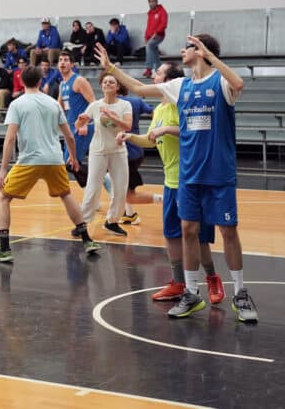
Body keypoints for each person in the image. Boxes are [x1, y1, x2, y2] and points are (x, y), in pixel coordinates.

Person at [96, 37, 257, 322]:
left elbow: (239, 84)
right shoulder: (180, 86)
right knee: (188, 231)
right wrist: (111, 68)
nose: (183, 50)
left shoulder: (219, 82)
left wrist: (211, 56)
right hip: (190, 174)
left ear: (202, 52)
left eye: (189, 46)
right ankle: (192, 293)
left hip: (218, 172)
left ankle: (241, 293)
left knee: (228, 230)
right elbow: (138, 87)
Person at [118, 61, 223, 306]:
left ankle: (212, 278)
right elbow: (151, 140)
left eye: (158, 73)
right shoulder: (159, 110)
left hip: (193, 178)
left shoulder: (182, 104)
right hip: (171, 181)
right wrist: (130, 137)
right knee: (172, 235)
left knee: (199, 238)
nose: (154, 76)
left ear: (168, 81)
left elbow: (192, 132)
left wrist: (166, 129)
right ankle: (178, 282)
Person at [0, 66, 100, 262]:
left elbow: (10, 138)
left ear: (21, 81)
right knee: (66, 195)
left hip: (29, 160)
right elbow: (69, 135)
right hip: (54, 159)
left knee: (3, 198)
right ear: (40, 81)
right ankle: (87, 240)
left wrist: (3, 169)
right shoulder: (53, 104)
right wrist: (72, 157)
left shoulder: (17, 104)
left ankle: (4, 249)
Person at [74, 74, 133, 236]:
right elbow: (79, 125)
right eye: (105, 81)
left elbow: (128, 126)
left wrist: (113, 117)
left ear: (117, 87)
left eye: (111, 82)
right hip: (98, 151)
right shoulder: (94, 105)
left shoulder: (125, 105)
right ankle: (83, 222)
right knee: (92, 188)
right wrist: (80, 120)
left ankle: (112, 221)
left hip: (118, 151)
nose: (108, 83)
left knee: (120, 189)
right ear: (102, 86)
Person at [118, 86, 156, 225]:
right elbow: (154, 112)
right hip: (137, 149)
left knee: (125, 191)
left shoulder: (111, 104)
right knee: (123, 187)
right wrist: (156, 128)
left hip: (124, 152)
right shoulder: (136, 101)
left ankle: (167, 199)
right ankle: (129, 214)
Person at [57, 51, 95, 186]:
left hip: (83, 127)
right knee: (73, 164)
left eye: (66, 60)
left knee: (71, 162)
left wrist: (86, 122)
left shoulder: (79, 81)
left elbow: (93, 103)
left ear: (72, 64)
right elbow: (59, 107)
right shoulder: (62, 84)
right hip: (71, 128)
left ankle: (103, 178)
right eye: (60, 60)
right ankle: (92, 196)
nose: (62, 62)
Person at [144, 0, 168, 78]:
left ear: (157, 2)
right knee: (153, 50)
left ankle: (148, 69)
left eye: (154, 1)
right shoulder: (150, 13)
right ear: (148, 3)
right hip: (151, 37)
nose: (152, 3)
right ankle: (159, 68)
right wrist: (146, 37)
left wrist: (156, 33)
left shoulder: (162, 11)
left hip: (159, 35)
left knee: (150, 45)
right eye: (150, 1)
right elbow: (149, 26)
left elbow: (163, 24)